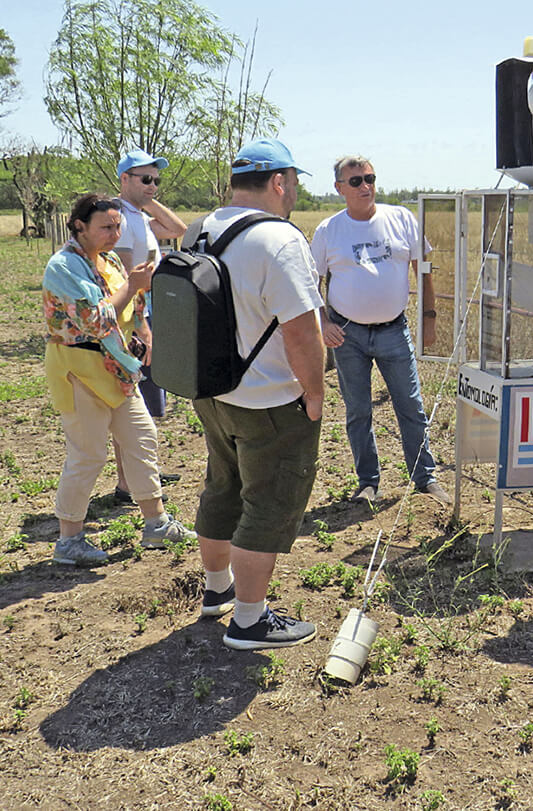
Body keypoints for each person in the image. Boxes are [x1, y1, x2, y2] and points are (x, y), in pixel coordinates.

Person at [192, 138, 324, 650]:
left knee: (222, 487)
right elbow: (301, 331)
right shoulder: (280, 240)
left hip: (213, 392)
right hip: (269, 399)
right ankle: (249, 620)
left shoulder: (201, 230)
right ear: (278, 182)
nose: (295, 191)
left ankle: (217, 590)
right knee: (267, 504)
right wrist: (314, 393)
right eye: (294, 182)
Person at [43, 194, 197, 566]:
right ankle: (68, 540)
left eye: (117, 226)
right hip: (79, 370)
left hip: (118, 368)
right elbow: (95, 320)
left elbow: (133, 300)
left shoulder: (109, 260)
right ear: (79, 226)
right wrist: (134, 284)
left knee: (141, 438)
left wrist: (144, 331)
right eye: (105, 227)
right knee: (88, 455)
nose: (114, 234)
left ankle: (156, 523)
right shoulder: (63, 267)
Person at [310, 155, 449, 505]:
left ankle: (425, 478)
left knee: (411, 405)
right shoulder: (328, 230)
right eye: (355, 181)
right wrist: (323, 322)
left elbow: (424, 270)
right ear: (339, 188)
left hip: (393, 331)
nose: (365, 186)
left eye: (370, 178)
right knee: (358, 410)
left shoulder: (401, 219)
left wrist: (429, 318)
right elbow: (312, 283)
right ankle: (368, 482)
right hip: (347, 334)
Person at [111, 149, 188, 503]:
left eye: (156, 180)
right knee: (130, 399)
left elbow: (177, 230)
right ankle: (128, 483)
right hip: (133, 318)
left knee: (145, 398)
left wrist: (147, 199)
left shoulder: (137, 215)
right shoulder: (120, 219)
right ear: (124, 179)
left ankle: (145, 471)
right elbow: (128, 277)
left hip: (147, 314)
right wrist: (142, 327)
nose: (153, 185)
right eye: (145, 179)